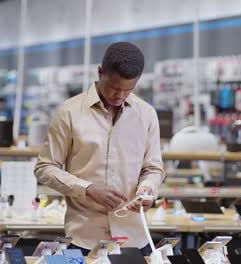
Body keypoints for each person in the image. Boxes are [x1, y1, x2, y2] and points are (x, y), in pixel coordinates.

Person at [34, 42, 164, 256]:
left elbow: (154, 168)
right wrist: (87, 189)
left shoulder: (147, 115)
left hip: (134, 240)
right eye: (114, 87)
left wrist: (148, 188)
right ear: (100, 72)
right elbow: (44, 167)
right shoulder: (69, 112)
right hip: (84, 240)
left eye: (128, 90)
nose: (120, 95)